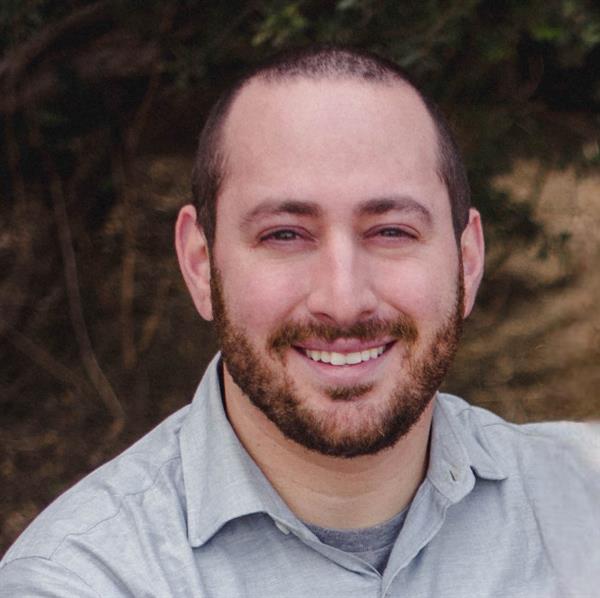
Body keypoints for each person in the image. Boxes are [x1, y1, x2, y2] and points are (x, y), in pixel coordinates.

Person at [1, 45, 598, 597]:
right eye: (284, 234)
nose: (343, 301)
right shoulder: (82, 578)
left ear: (467, 260)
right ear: (199, 263)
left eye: (392, 231)